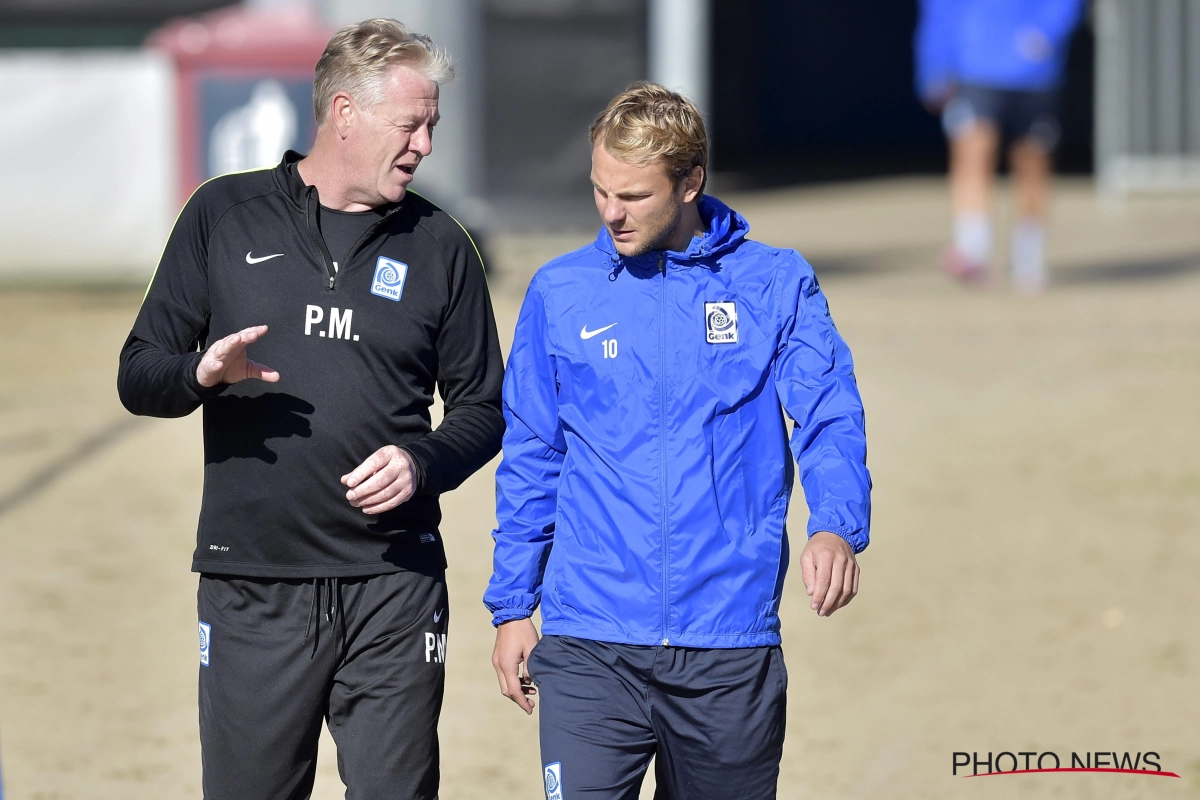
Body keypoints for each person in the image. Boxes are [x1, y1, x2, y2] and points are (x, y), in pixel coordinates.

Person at [117, 19, 503, 800]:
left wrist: (423, 461)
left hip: (394, 587)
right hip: (253, 586)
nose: (426, 144)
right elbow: (139, 376)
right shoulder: (222, 216)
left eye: (433, 124)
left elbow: (484, 409)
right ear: (344, 114)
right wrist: (202, 372)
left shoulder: (442, 246)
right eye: (411, 123)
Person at [486, 83, 871, 800]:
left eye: (632, 195)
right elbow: (534, 452)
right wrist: (513, 607)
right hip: (588, 642)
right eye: (600, 190)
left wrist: (836, 527)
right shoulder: (559, 292)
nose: (609, 212)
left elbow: (828, 413)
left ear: (691, 181)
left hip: (727, 645)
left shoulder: (776, 284)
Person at [916, 0, 1086, 292]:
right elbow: (939, 11)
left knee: (1032, 162)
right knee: (972, 152)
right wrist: (933, 65)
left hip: (1035, 75)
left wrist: (1044, 34)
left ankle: (1028, 257)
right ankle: (973, 250)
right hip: (974, 69)